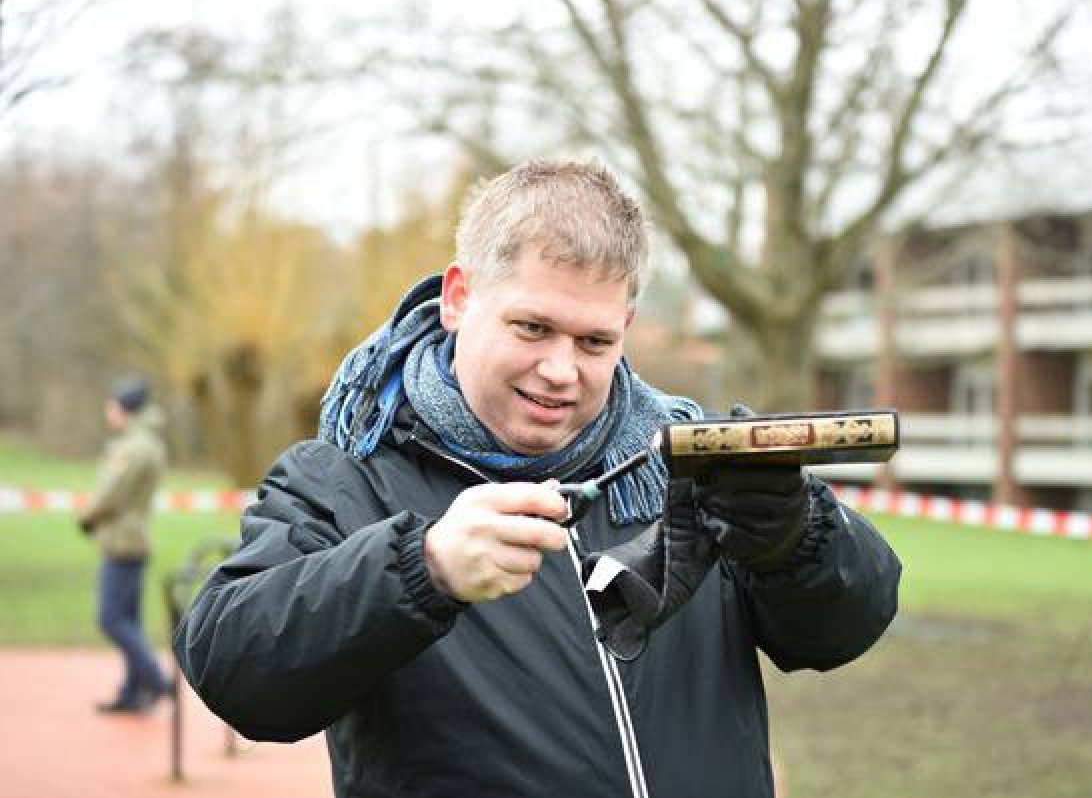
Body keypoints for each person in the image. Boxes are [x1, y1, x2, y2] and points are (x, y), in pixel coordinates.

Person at [174, 160, 901, 797]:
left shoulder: (691, 461)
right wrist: (419, 570)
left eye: (594, 341)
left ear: (628, 324)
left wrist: (794, 537)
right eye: (532, 328)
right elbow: (235, 672)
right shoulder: (348, 475)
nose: (561, 371)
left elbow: (845, 628)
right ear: (459, 297)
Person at [79, 375, 172, 713]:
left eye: (113, 404)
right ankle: (134, 691)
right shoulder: (143, 442)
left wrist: (88, 516)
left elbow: (111, 493)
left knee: (112, 619)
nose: (108, 410)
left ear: (124, 409)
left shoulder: (135, 447)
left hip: (123, 539)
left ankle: (156, 681)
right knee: (128, 619)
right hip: (133, 537)